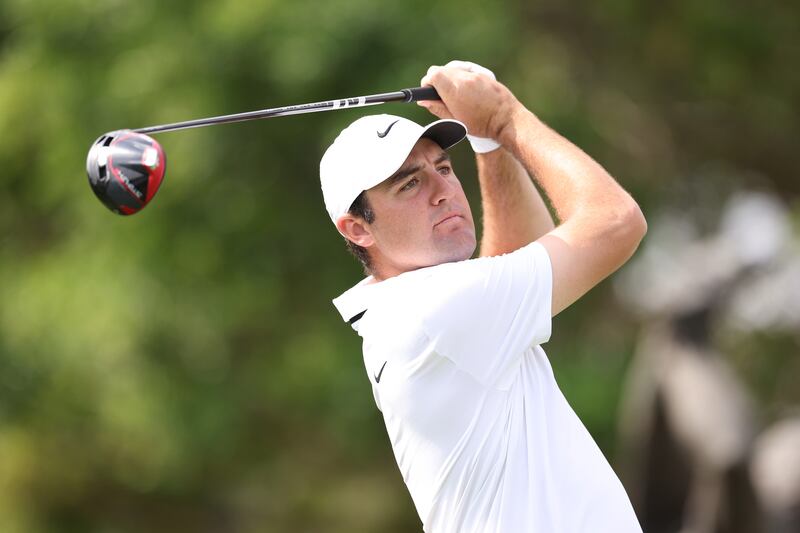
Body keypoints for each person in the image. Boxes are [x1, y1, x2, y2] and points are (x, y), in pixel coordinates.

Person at [319, 60, 647, 533]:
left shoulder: (422, 311)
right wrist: (503, 118)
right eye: (409, 183)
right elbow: (617, 222)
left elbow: (514, 256)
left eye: (445, 167)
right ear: (357, 228)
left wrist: (489, 145)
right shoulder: (430, 310)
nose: (444, 191)